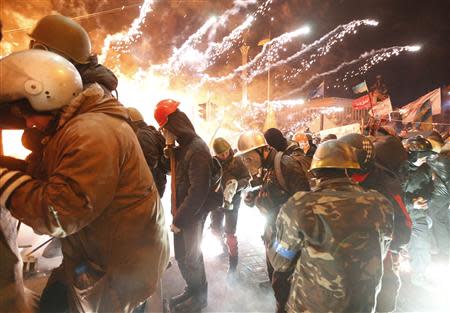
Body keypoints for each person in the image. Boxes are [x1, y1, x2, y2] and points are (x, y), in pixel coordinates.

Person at [0, 49, 169, 313]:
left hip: (120, 266)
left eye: (27, 111)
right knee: (53, 304)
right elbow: (55, 176)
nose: (29, 123)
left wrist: (5, 181)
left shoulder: (90, 134)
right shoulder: (73, 126)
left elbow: (57, 214)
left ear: (48, 95)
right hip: (94, 253)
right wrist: (13, 168)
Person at [268, 140, 394, 313]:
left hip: (311, 307)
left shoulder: (301, 205)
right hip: (363, 306)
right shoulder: (380, 204)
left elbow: (280, 261)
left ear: (315, 172)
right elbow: (383, 248)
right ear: (351, 170)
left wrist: (270, 234)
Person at [236, 130, 310, 313]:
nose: (246, 162)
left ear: (263, 150)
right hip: (274, 234)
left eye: (248, 157)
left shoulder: (286, 165)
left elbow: (305, 204)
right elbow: (271, 189)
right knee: (276, 280)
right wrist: (255, 197)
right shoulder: (267, 167)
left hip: (289, 238)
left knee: (284, 283)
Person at [339, 133, 411, 312]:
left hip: (378, 261)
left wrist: (383, 245)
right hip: (341, 262)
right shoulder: (337, 177)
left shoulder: (386, 185)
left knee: (384, 298)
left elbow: (404, 227)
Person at [154, 100, 212, 313]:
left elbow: (198, 191)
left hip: (192, 215)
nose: (164, 132)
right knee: (181, 256)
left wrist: (179, 220)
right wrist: (168, 148)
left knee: (192, 257)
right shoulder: (183, 147)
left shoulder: (197, 149)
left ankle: (200, 298)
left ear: (174, 125)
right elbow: (169, 170)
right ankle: (192, 288)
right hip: (181, 213)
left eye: (165, 129)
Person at [29, 14, 118, 95]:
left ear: (70, 61)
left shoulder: (94, 94)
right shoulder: (51, 82)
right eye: (34, 47)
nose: (34, 57)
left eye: (41, 50)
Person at [210, 137, 250, 277]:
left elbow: (247, 179)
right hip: (217, 201)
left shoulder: (237, 161)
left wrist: (236, 185)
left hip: (234, 201)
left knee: (230, 234)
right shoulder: (213, 163)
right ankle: (223, 248)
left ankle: (233, 266)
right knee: (215, 228)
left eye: (226, 152)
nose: (224, 156)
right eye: (221, 154)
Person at [400, 136, 435, 285]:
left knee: (421, 244)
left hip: (419, 214)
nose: (425, 160)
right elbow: (396, 196)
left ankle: (419, 275)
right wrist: (411, 203)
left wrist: (427, 199)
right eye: (422, 156)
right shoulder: (401, 170)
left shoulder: (426, 169)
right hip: (404, 215)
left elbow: (430, 189)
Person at [127, 107, 167, 196]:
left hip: (152, 187)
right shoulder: (148, 131)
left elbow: (151, 162)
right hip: (156, 184)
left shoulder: (141, 134)